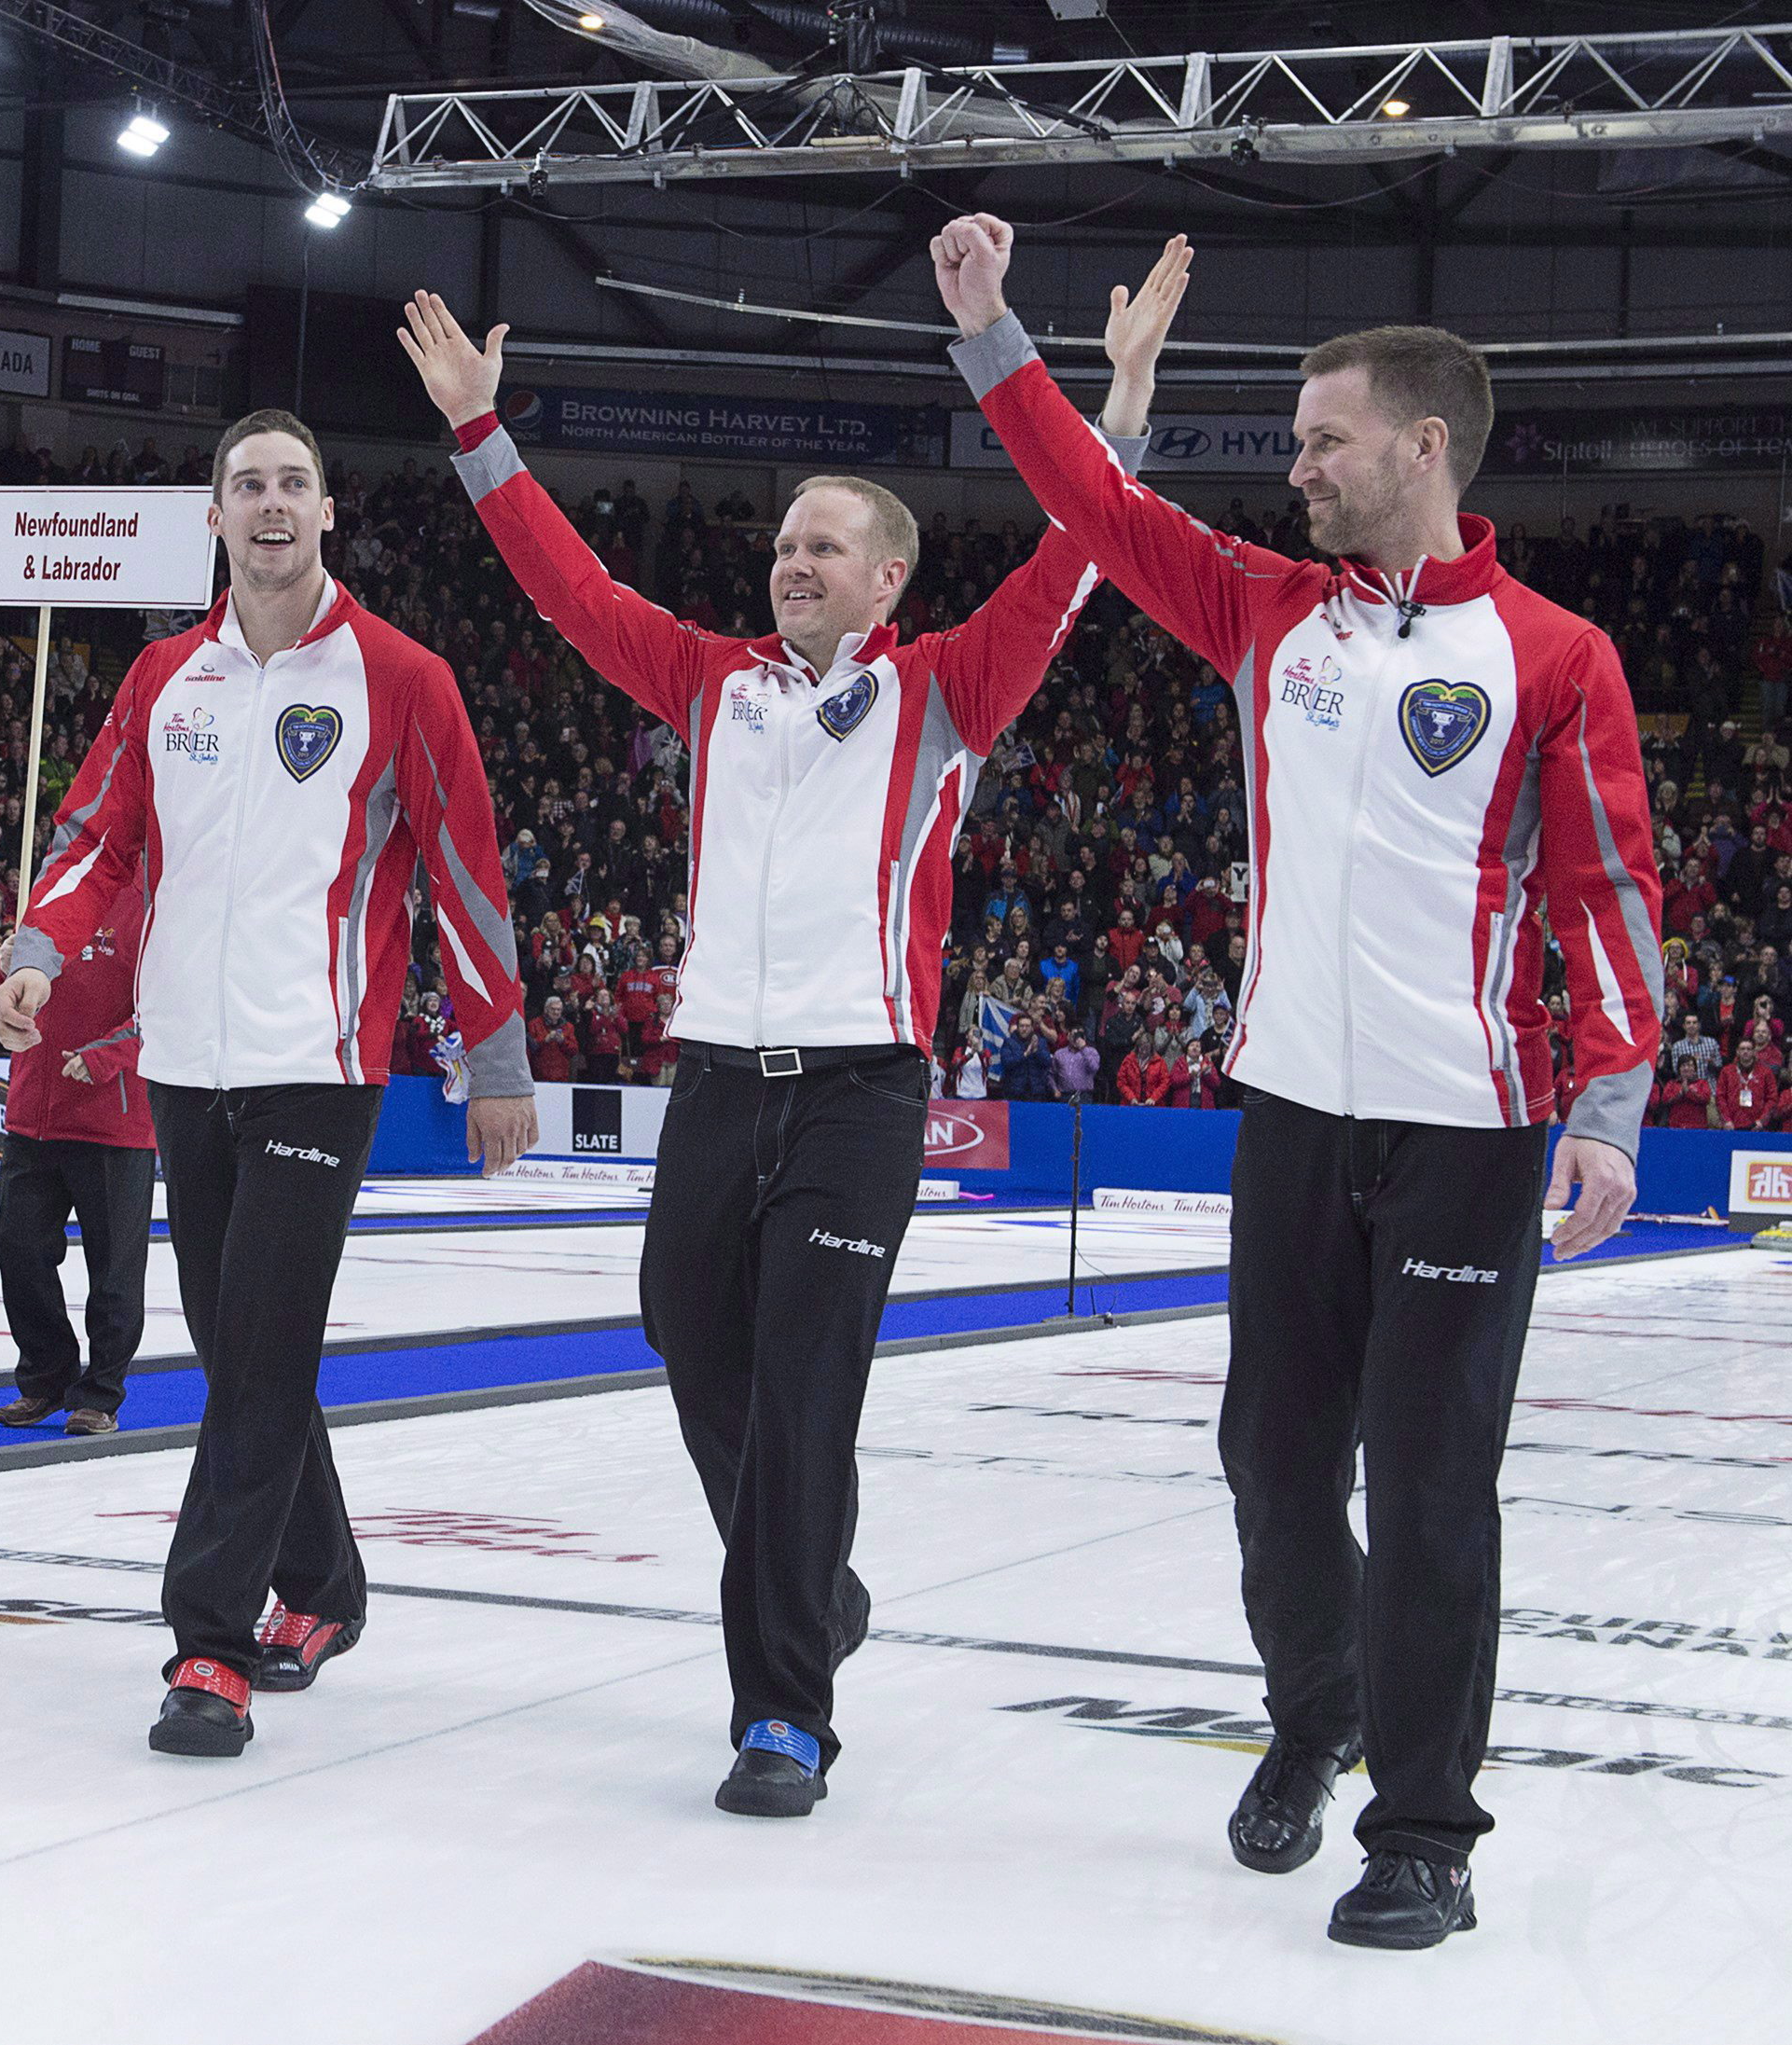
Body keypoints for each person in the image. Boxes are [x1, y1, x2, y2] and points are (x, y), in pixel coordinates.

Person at [939, 216, 1661, 1947]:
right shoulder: (1272, 613)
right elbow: (1103, 515)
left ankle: (1423, 1827)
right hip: (1290, 1115)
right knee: (1273, 1463)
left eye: (1323, 438)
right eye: (1292, 439)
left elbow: (1608, 890)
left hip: (1470, 1136)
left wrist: (1613, 1108)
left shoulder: (1556, 657)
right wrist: (991, 334)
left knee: (1427, 1487)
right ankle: (1315, 1705)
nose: (1297, 465)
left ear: (1423, 445)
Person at [398, 275, 1167, 1817]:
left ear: (889, 576)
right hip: (714, 1087)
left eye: (823, 543)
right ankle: (815, 1579)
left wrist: (1123, 413)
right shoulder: (711, 682)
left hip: (860, 1095)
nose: (789, 559)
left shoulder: (944, 688)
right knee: (687, 1331)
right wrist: (479, 428)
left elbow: (1078, 557)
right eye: (781, 540)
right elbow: (568, 590)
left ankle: (785, 1711)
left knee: (811, 1391)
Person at [0, 406, 537, 1759]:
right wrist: (39, 949)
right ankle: (331, 1586)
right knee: (243, 1345)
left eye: (297, 480)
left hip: (319, 1064)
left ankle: (210, 1646)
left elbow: (467, 871)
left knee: (258, 1352)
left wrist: (496, 1052)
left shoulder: (402, 677)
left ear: (328, 511)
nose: (274, 502)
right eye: (250, 484)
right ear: (217, 513)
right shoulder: (166, 677)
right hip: (184, 1061)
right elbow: (93, 833)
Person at [0, 846, 154, 1440]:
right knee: (18, 1248)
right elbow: (12, 1002)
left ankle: (100, 1392)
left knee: (113, 1267)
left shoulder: (152, 902)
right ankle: (46, 1377)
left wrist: (108, 1057)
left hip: (113, 1121)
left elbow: (164, 1010)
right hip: (33, 1112)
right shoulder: (47, 902)